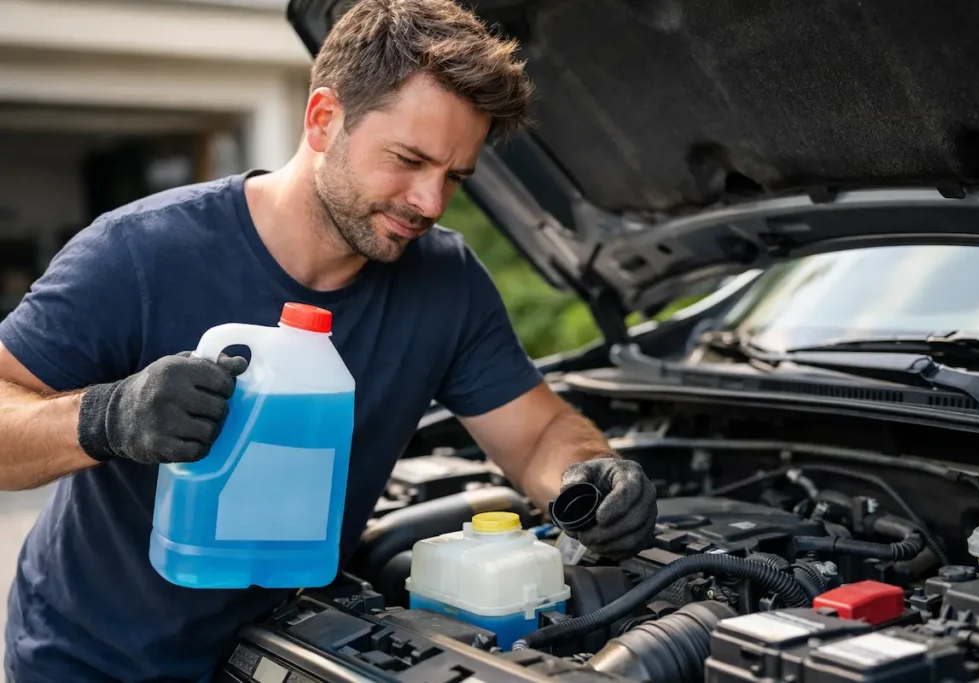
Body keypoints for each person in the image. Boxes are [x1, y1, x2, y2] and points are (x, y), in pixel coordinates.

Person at [0, 1, 658, 681]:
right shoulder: (141, 252)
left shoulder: (445, 282)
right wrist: (106, 416)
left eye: (455, 177)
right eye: (409, 159)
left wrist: (589, 475)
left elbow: (537, 433)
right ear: (322, 120)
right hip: (93, 660)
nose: (430, 203)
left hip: (292, 652)